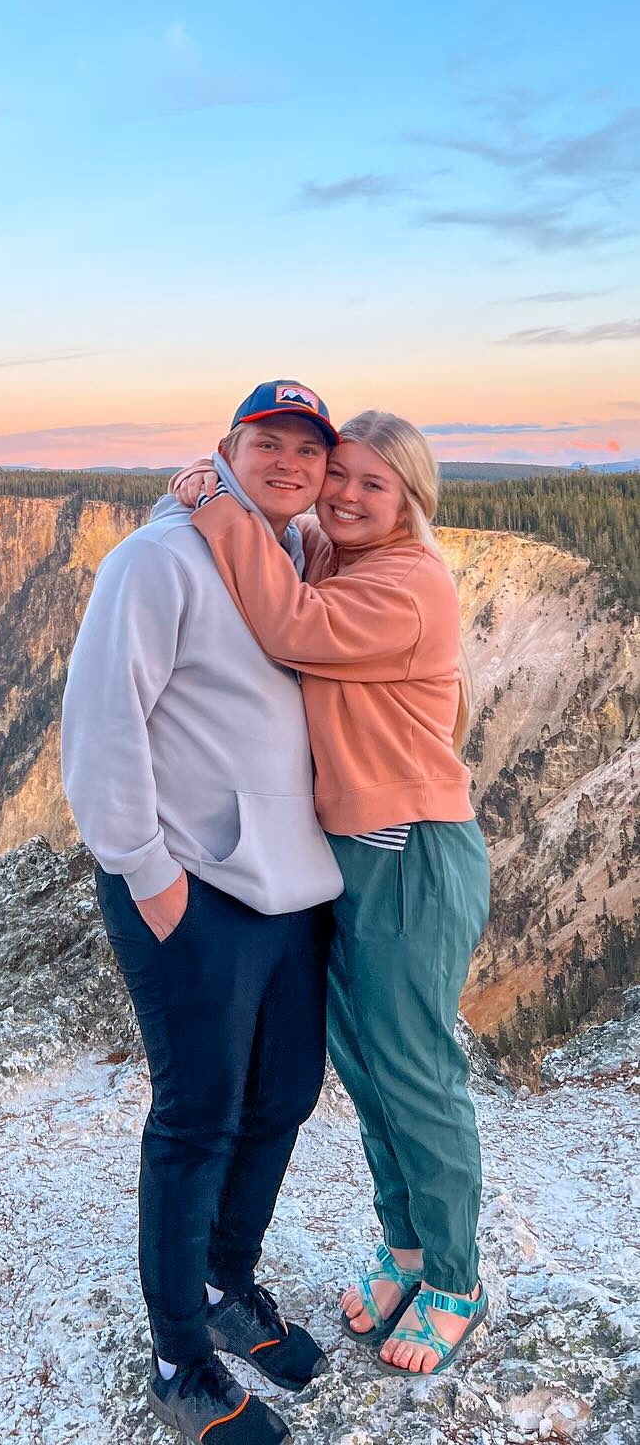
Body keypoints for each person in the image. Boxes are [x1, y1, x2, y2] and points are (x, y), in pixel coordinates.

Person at [174, 410, 490, 1377]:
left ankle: (457, 1281)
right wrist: (231, 478)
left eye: (373, 485)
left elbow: (288, 623)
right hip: (348, 854)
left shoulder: (408, 582)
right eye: (337, 474)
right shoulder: (339, 552)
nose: (346, 496)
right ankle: (406, 1253)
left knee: (416, 1075)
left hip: (408, 853)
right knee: (364, 1070)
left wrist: (219, 505)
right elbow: (293, 536)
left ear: (410, 500)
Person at [62, 379, 345, 1445]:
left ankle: (227, 1284)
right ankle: (179, 1353)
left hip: (291, 890)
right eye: (267, 441)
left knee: (284, 1094)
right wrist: (147, 871)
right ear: (227, 446)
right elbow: (101, 722)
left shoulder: (289, 552)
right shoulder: (156, 560)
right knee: (196, 1119)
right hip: (195, 888)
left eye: (307, 450)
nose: (287, 460)